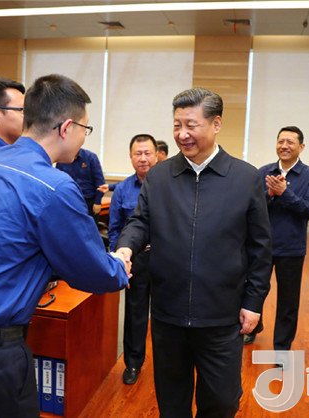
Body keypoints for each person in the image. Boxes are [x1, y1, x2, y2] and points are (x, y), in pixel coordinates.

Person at [0, 74, 131, 418]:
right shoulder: (53, 185)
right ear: (67, 127)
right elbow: (94, 273)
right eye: (85, 129)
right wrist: (119, 264)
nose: (83, 138)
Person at [116, 87, 272, 417]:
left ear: (216, 124)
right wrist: (126, 247)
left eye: (191, 125)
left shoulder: (245, 178)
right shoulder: (160, 176)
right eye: (177, 125)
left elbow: (260, 247)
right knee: (172, 403)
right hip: (168, 314)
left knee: (222, 402)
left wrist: (253, 301)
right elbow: (140, 221)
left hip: (221, 315)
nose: (182, 134)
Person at [244, 126, 309, 348]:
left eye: (290, 142)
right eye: (281, 141)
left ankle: (282, 347)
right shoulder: (263, 172)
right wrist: (269, 195)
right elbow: (252, 206)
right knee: (254, 290)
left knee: (288, 301)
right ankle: (252, 328)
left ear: (301, 147)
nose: (284, 146)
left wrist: (285, 193)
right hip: (261, 245)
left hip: (291, 248)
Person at [108, 134, 158, 385]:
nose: (143, 158)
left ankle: (167, 364)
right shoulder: (122, 190)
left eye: (148, 153)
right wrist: (119, 263)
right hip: (135, 260)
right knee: (135, 314)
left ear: (157, 155)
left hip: (163, 260)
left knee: (164, 315)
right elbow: (115, 229)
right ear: (130, 157)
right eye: (138, 153)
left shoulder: (166, 186)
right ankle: (133, 363)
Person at [56, 148, 107, 216]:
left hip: (89, 201)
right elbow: (58, 181)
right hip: (69, 201)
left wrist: (97, 202)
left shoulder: (90, 157)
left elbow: (100, 182)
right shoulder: (62, 159)